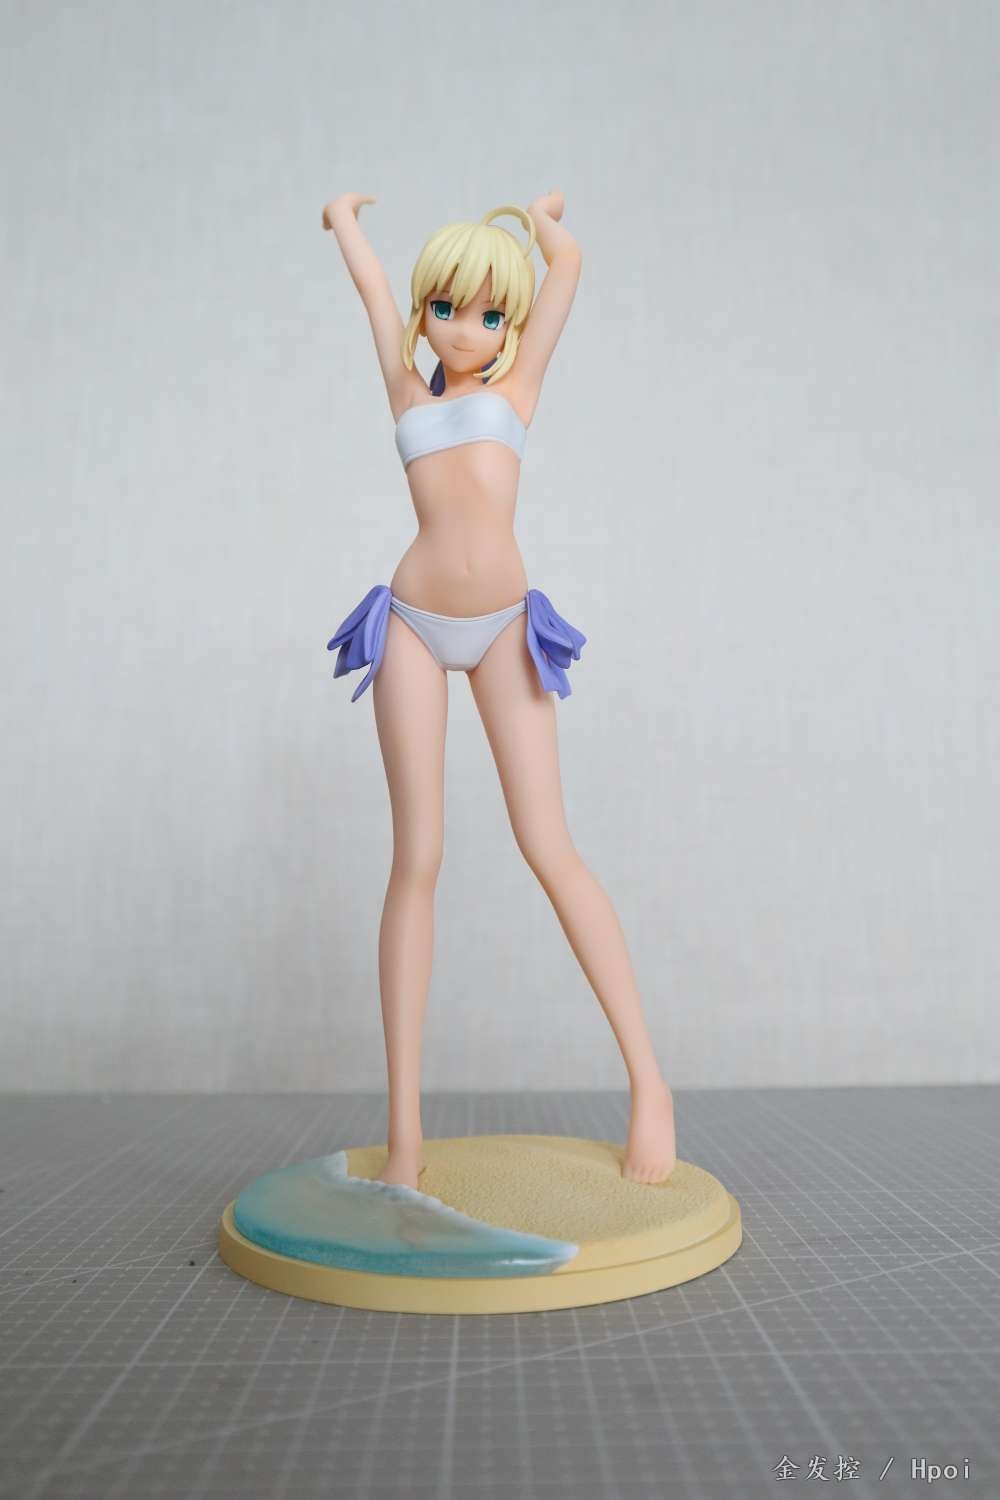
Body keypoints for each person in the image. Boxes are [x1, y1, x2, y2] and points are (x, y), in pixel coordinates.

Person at [322, 190, 675, 1190]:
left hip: (506, 627)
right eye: (446, 308)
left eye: (487, 314)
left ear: (508, 324)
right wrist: (345, 223)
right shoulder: (406, 391)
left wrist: (541, 218)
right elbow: (372, 293)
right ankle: (404, 1137)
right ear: (424, 312)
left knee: (550, 846)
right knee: (417, 857)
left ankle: (650, 1085)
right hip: (410, 624)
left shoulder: (518, 387)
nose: (464, 329)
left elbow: (567, 273)